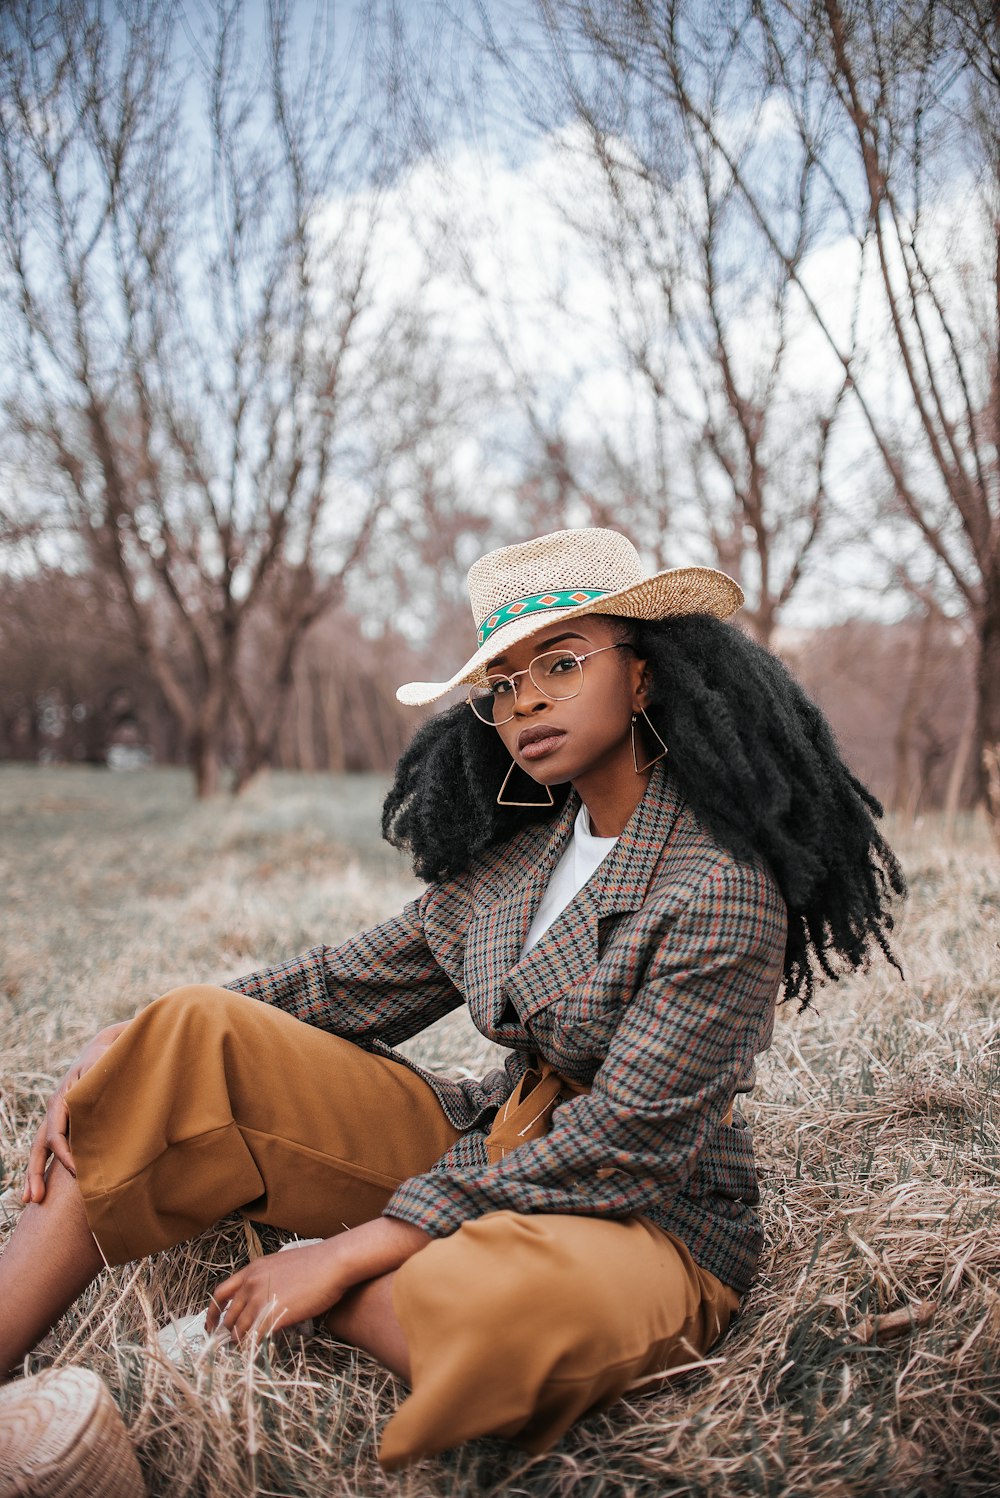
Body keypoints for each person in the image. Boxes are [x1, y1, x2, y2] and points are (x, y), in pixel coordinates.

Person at [0, 527, 904, 1478]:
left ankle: (269, 1316)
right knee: (186, 1032)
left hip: (649, 1217)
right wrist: (132, 1042)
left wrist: (354, 1252)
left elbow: (628, 1139)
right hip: (486, 1143)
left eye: (562, 661)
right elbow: (337, 987)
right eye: (504, 681)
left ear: (644, 675)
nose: (530, 700)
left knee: (479, 1318)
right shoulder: (513, 857)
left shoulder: (718, 880)